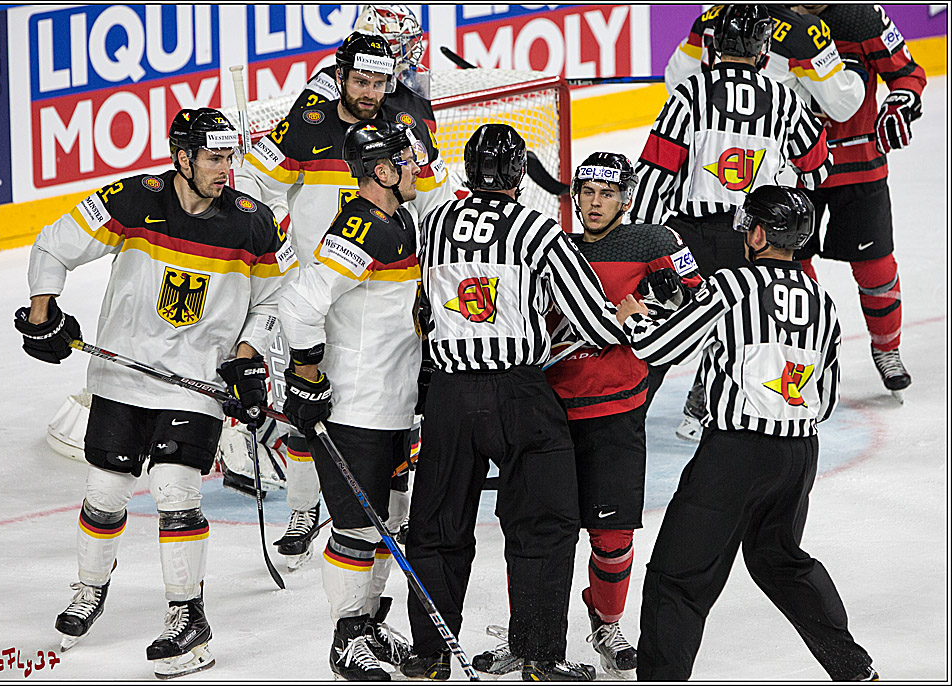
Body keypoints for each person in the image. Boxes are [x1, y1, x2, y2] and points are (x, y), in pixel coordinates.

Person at [13, 107, 297, 679]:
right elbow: (53, 244)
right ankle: (90, 589)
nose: (227, 170)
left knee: (174, 489)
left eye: (231, 156)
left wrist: (247, 358)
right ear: (182, 158)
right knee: (105, 490)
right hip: (123, 377)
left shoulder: (254, 222)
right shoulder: (131, 200)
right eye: (215, 158)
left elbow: (277, 301)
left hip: (196, 386)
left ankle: (188, 615)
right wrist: (43, 312)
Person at [616, 185, 877, 681]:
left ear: (757, 233)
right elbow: (826, 395)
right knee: (780, 561)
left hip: (734, 457)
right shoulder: (822, 300)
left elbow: (662, 347)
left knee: (679, 576)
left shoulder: (732, 285)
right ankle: (851, 666)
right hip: (798, 456)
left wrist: (634, 319)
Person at [402, 124, 631, 682]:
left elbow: (420, 308)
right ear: (517, 175)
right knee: (545, 524)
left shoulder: (433, 222)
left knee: (436, 526)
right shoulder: (537, 230)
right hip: (520, 396)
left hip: (450, 399)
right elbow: (594, 323)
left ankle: (431, 655)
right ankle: (538, 655)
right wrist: (624, 315)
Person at [468, 152, 703, 678]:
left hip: (617, 414)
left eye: (607, 194)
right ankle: (528, 637)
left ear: (626, 196)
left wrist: (657, 306)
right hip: (546, 414)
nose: (596, 204)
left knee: (614, 535)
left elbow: (698, 307)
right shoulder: (548, 245)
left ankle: (608, 623)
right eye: (587, 193)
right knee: (534, 533)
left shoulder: (656, 243)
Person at [234, 25, 451, 568]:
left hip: (385, 289)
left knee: (395, 405)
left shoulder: (406, 129)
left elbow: (437, 200)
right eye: (361, 80)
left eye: (381, 82)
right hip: (318, 291)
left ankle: (386, 512)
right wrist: (266, 239)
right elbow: (251, 185)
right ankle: (306, 509)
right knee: (309, 404)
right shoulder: (308, 124)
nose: (371, 92)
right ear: (340, 75)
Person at [630, 4, 832, 442]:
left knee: (664, 332)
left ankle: (622, 422)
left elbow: (652, 175)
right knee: (745, 327)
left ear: (714, 46)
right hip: (754, 241)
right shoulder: (783, 97)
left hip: (689, 241)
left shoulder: (690, 94)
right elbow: (817, 167)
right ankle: (708, 408)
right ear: (763, 53)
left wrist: (643, 244)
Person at [277, 119, 425, 681]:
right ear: (382, 171)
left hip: (393, 403)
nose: (418, 166)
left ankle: (367, 623)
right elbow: (300, 304)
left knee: (392, 520)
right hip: (357, 407)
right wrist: (308, 375)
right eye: (407, 160)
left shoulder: (398, 219)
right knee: (359, 529)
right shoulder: (361, 228)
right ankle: (346, 639)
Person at [788, 4, 925, 402]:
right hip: (792, 167)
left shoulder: (863, 18)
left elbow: (907, 73)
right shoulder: (772, 18)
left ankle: (887, 350)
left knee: (876, 267)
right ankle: (803, 354)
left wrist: (901, 102)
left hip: (859, 163)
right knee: (790, 268)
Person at [664, 4, 865, 123]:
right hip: (773, 159)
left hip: (710, 148)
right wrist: (854, 70)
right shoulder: (803, 32)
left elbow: (676, 81)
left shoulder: (710, 18)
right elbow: (842, 105)